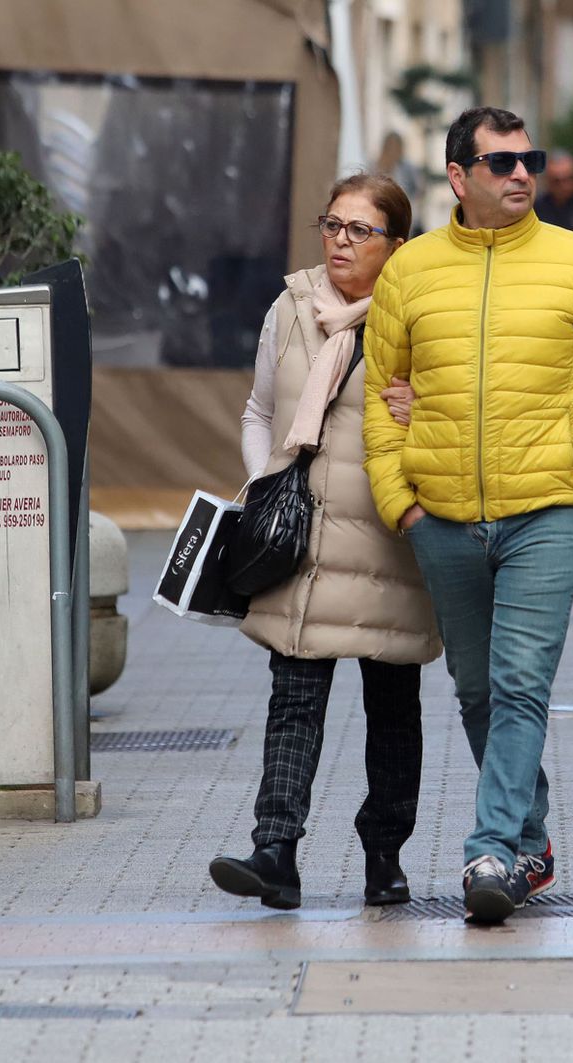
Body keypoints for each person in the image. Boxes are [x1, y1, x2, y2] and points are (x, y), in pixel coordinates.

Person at [363, 106, 573, 925]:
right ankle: (531, 841)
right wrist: (403, 499)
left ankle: (490, 849)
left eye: (528, 159)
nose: (522, 174)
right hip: (444, 515)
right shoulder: (412, 272)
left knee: (519, 683)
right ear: (459, 178)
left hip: (549, 510)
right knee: (474, 689)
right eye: (501, 164)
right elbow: (378, 394)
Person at [209, 174, 441, 910]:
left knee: (393, 705)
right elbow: (256, 410)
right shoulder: (291, 307)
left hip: (388, 541)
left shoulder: (422, 317)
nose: (340, 241)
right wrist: (263, 480)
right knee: (293, 698)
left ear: (396, 245)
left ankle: (384, 856)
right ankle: (274, 850)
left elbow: (455, 421)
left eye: (359, 230)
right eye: (331, 225)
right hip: (299, 542)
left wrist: (424, 407)